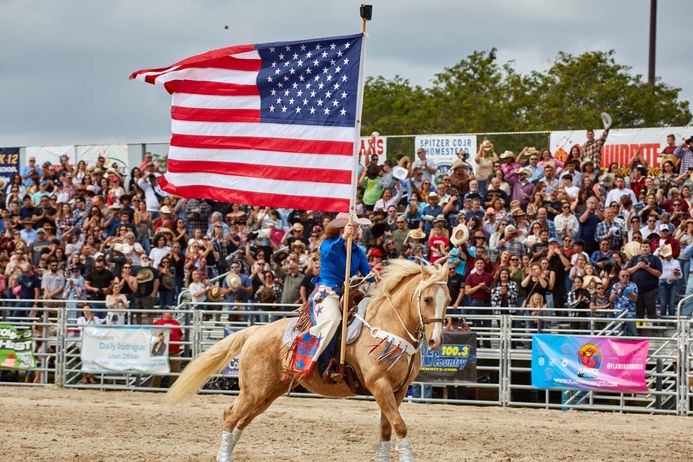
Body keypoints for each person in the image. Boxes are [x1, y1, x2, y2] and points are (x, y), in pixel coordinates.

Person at [301, 213, 372, 382]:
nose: (356, 229)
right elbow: (329, 254)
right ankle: (324, 365)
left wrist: (377, 275)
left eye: (357, 227)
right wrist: (343, 238)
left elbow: (367, 273)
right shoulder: (328, 244)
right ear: (342, 228)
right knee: (333, 319)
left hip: (349, 292)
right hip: (327, 292)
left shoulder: (357, 251)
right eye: (353, 226)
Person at [625, 241, 662, 320]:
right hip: (636, 290)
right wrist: (637, 266)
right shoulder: (634, 258)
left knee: (651, 311)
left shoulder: (655, 259)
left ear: (650, 248)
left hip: (651, 290)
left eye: (646, 247)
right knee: (639, 312)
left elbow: (659, 273)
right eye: (643, 247)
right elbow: (627, 272)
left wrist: (646, 268)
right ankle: (639, 331)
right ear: (640, 248)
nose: (644, 249)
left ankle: (654, 331)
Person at [151, 311, 184, 388]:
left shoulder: (176, 323)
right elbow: (153, 334)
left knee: (175, 371)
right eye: (168, 312)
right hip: (161, 351)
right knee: (157, 371)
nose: (170, 313)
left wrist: (180, 340)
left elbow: (180, 335)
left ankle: (173, 389)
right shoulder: (158, 323)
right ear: (163, 313)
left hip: (174, 350)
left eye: (171, 312)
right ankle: (154, 388)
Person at [610, 270, 638, 336]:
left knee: (633, 333)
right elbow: (611, 300)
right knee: (619, 333)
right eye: (623, 276)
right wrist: (615, 292)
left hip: (630, 312)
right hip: (619, 312)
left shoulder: (633, 285)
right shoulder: (615, 286)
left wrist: (629, 293)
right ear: (619, 276)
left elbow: (635, 299)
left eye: (627, 276)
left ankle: (634, 346)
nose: (625, 277)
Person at [657, 245, 681, 317]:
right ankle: (663, 322)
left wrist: (678, 273)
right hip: (662, 283)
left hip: (673, 283)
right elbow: (654, 256)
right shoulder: (660, 261)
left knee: (672, 303)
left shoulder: (676, 262)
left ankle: (671, 322)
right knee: (663, 303)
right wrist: (659, 249)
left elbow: (681, 275)